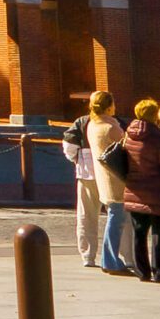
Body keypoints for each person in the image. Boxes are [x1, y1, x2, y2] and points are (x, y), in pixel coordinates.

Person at [120, 99, 160, 281]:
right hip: (158, 191)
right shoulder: (156, 138)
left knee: (139, 232)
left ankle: (142, 270)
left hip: (135, 189)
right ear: (154, 115)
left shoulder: (128, 135)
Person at [85, 90, 132, 275]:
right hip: (116, 178)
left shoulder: (92, 125)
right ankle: (110, 259)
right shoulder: (111, 127)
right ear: (109, 106)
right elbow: (127, 146)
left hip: (103, 177)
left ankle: (109, 258)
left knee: (114, 216)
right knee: (116, 218)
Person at [61, 95, 105, 268]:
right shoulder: (114, 123)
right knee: (118, 215)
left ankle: (88, 255)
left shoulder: (82, 122)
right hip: (111, 175)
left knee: (86, 215)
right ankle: (125, 255)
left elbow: (69, 146)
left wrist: (76, 160)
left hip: (87, 173)